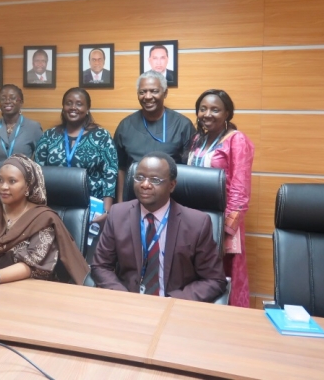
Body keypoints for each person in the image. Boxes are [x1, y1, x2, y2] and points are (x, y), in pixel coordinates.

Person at [91, 152, 227, 302]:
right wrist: (123, 297)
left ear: (171, 185)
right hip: (128, 305)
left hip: (174, 307)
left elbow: (215, 280)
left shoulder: (197, 223)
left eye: (155, 180)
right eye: (140, 177)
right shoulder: (118, 214)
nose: (145, 184)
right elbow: (100, 266)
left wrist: (173, 300)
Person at [0, 154, 89, 290]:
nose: (3, 187)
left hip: (28, 290)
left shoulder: (43, 219)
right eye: (0, 180)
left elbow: (30, 266)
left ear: (28, 187)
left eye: (12, 181)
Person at [187, 89, 254, 308]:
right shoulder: (197, 139)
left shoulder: (237, 140)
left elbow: (240, 189)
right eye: (203, 108)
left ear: (227, 114)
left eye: (215, 109)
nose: (207, 114)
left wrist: (226, 230)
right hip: (195, 220)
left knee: (223, 275)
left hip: (224, 222)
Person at [35, 87, 117, 221]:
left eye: (79, 104)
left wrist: (106, 211)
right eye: (69, 103)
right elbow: (37, 174)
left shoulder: (102, 137)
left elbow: (110, 175)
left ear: (88, 109)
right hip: (53, 207)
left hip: (91, 208)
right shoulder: (48, 136)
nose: (73, 107)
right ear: (63, 107)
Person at [113, 71, 195, 201]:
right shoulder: (125, 126)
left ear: (165, 93)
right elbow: (120, 168)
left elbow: (190, 170)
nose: (148, 96)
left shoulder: (182, 125)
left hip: (171, 201)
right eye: (142, 92)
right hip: (133, 199)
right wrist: (120, 203)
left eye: (154, 91)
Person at [0, 84, 42, 201]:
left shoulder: (33, 127)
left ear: (21, 102)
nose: (7, 101)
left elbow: (39, 164)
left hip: (23, 191)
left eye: (12, 98)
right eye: (3, 98)